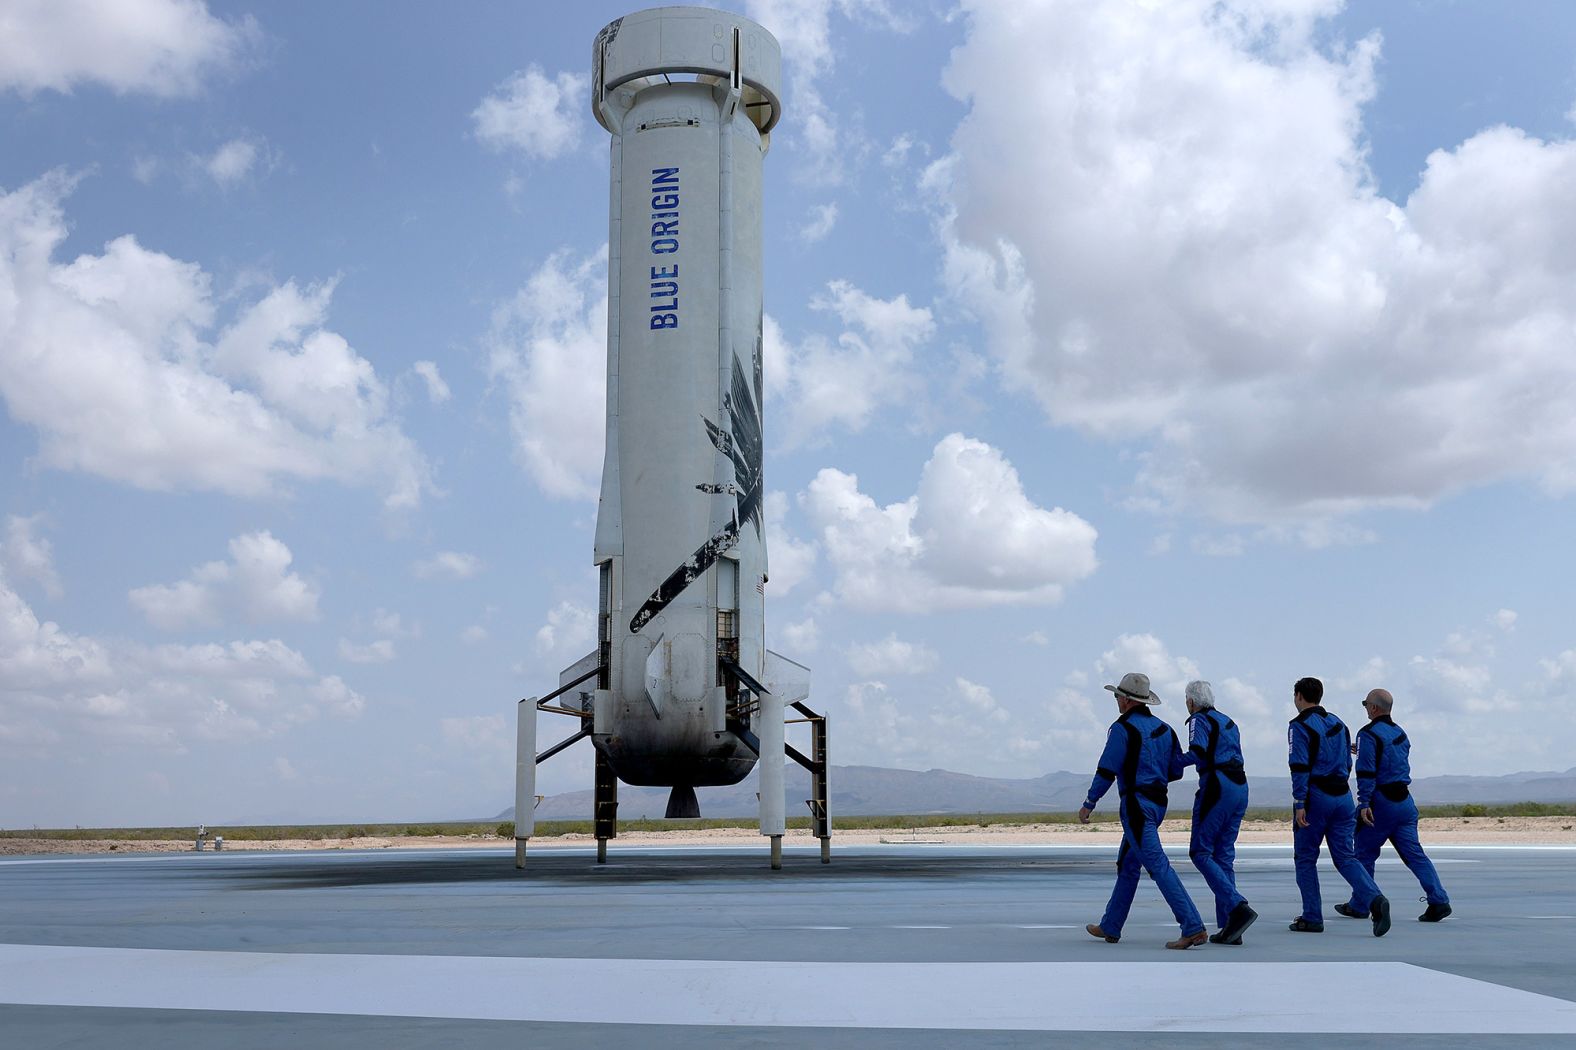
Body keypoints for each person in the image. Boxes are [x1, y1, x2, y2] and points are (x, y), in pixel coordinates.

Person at [1080, 672, 1208, 950]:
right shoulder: (1165, 730)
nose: (1116, 700)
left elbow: (1107, 770)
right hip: (1157, 803)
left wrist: (1090, 802)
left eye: (1117, 696)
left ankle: (1193, 926)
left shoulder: (1122, 729)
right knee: (1127, 864)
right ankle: (1111, 925)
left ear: (1126, 700)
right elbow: (1175, 770)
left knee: (1157, 866)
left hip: (1136, 806)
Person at [1336, 688, 1452, 923]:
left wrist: (1364, 802)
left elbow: (1366, 771)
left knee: (1363, 854)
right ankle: (1439, 900)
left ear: (1374, 708)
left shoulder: (1368, 734)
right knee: (1415, 855)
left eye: (1366, 704)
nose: (1366, 708)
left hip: (1382, 804)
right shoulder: (1400, 733)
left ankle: (1361, 903)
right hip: (1405, 803)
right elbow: (1392, 758)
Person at [1288, 677, 1391, 936]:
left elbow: (1299, 766)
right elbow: (1347, 763)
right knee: (1346, 857)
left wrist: (1300, 802)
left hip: (1316, 798)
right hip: (1343, 797)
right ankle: (1375, 899)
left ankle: (1312, 916)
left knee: (1306, 858)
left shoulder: (1299, 726)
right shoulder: (1339, 723)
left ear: (1299, 696)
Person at [1180, 681, 1257, 944]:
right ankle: (1229, 928)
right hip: (1240, 786)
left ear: (1191, 701)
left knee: (1200, 852)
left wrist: (1169, 764)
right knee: (1224, 856)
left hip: (1217, 787)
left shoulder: (1198, 721)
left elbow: (1197, 752)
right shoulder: (1228, 722)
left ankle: (1237, 906)